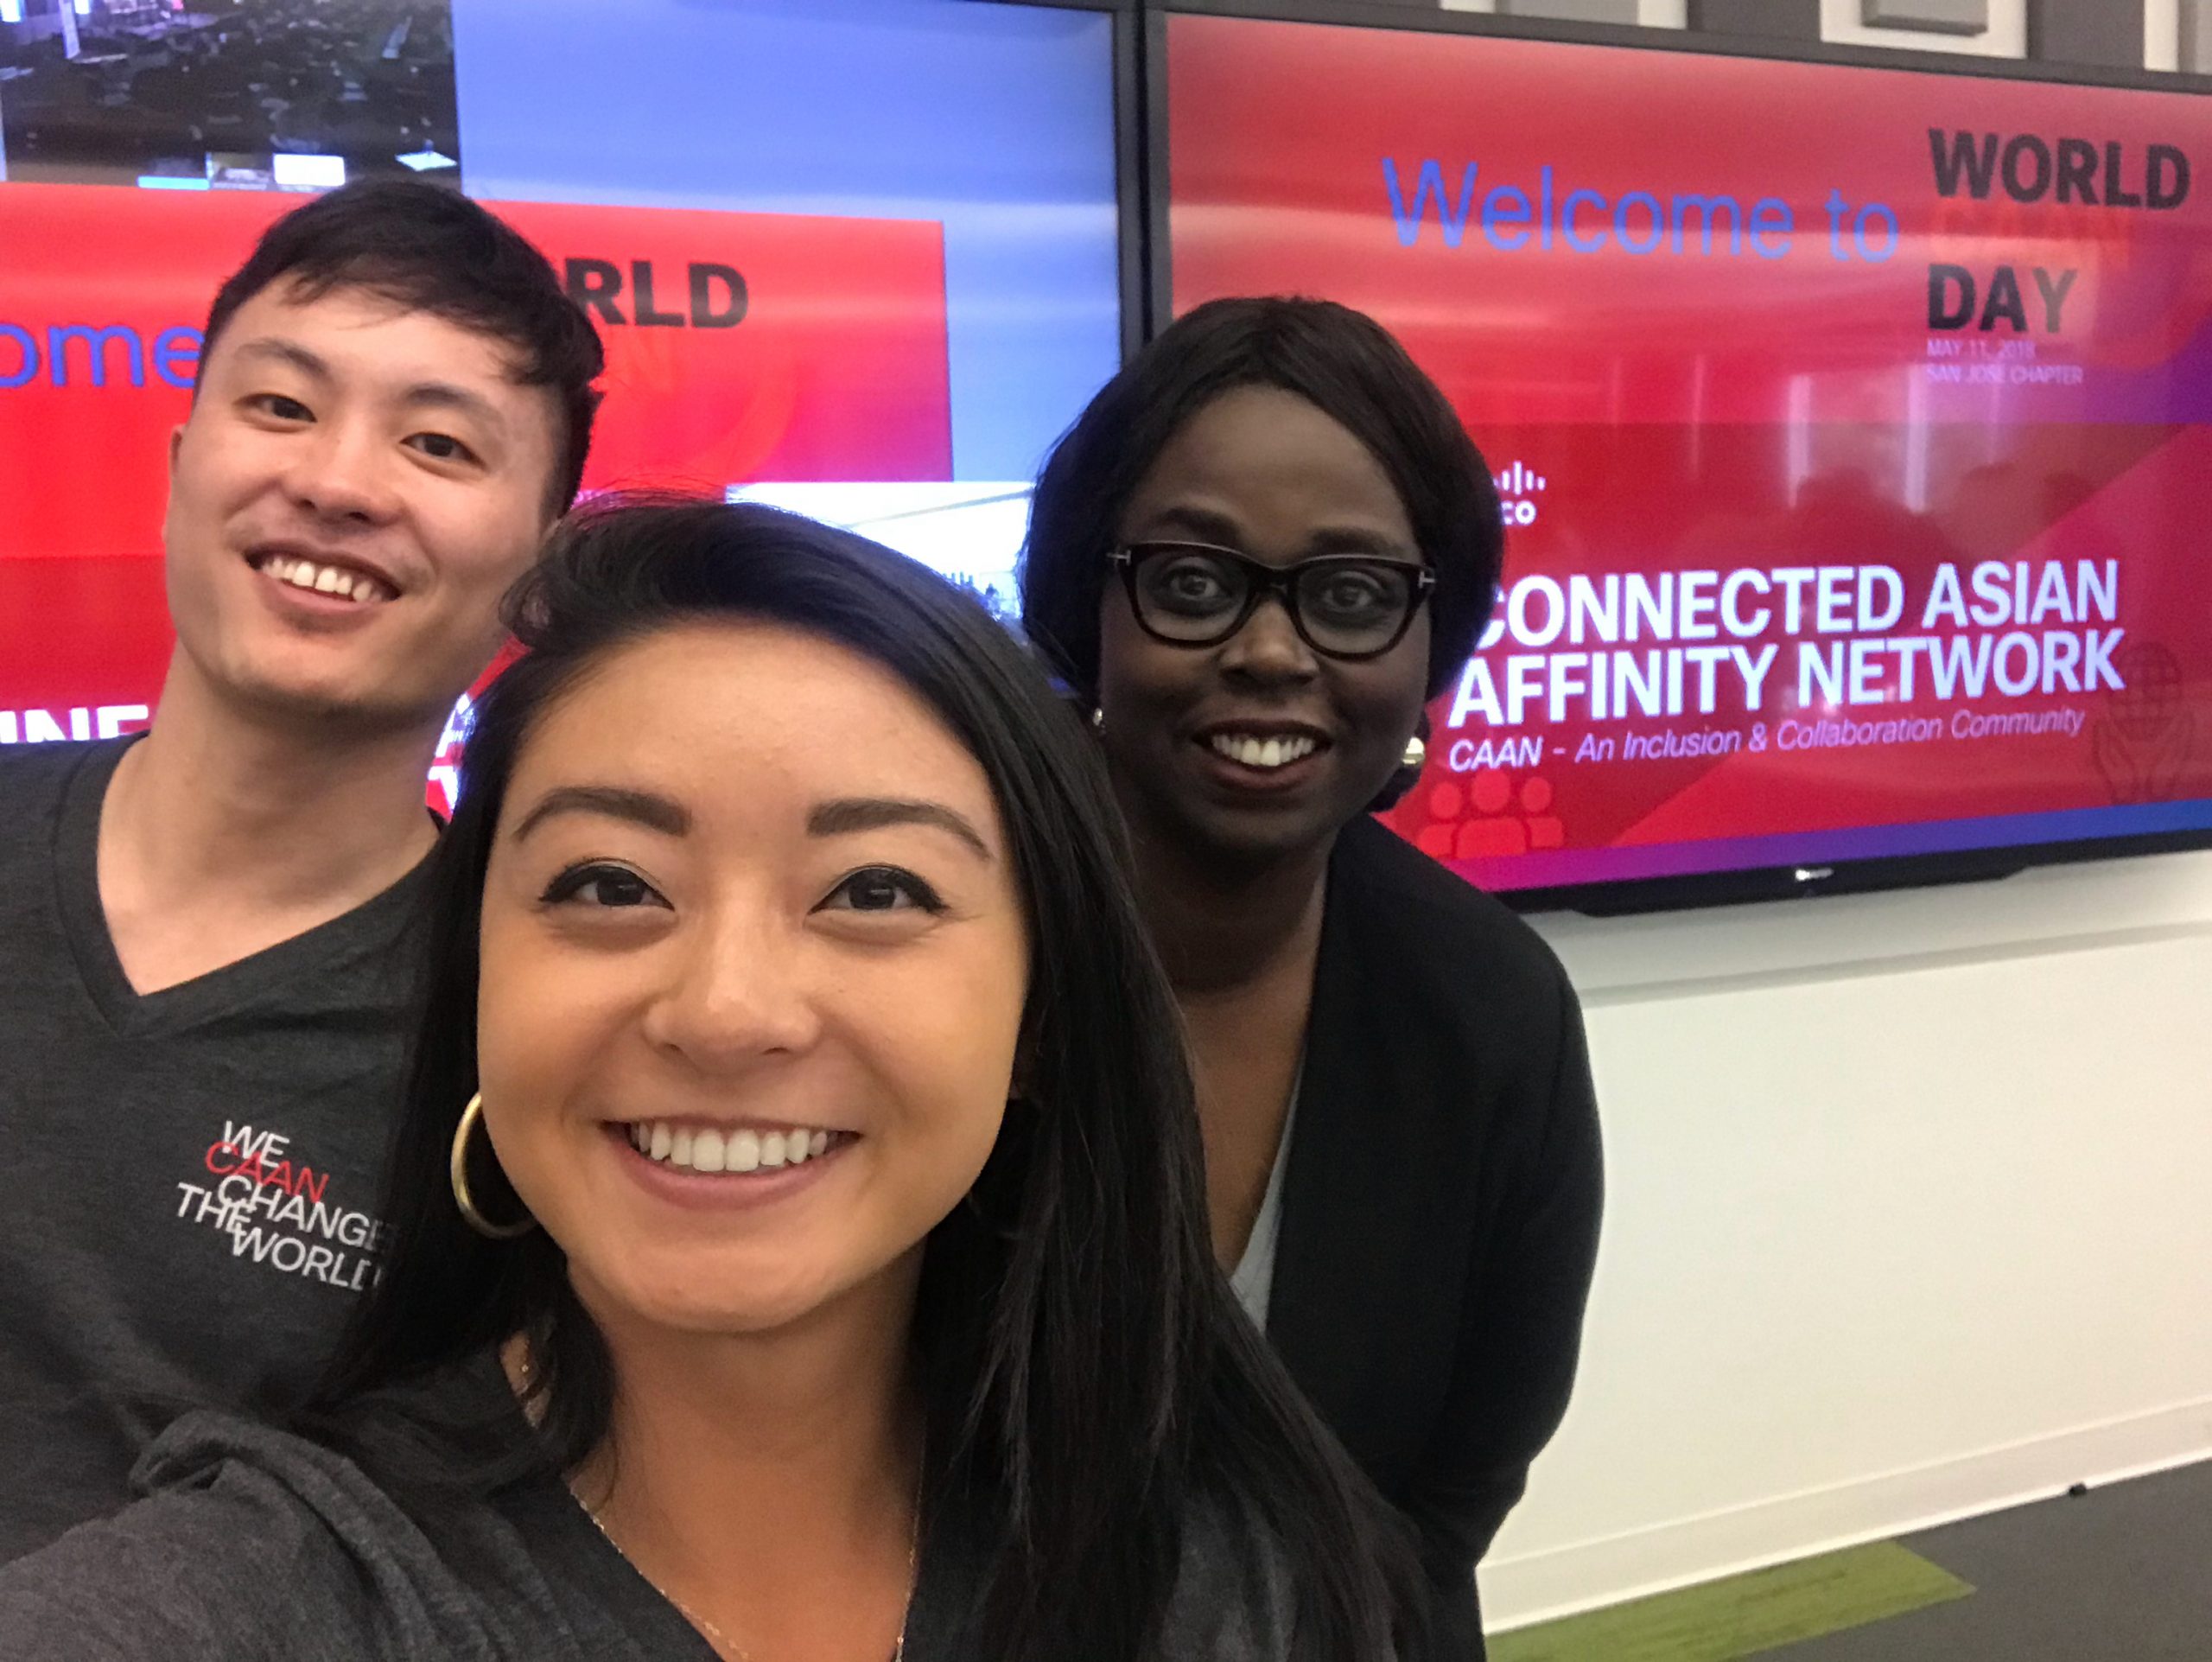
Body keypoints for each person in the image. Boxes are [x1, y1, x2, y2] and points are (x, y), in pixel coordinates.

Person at [0, 500, 1427, 1661]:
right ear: (474, 980)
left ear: (1041, 1016)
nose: (728, 1011)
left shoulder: (1244, 1576)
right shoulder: (269, 1598)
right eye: (611, 882)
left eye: (875, 888)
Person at [0, 178, 603, 1560]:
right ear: (178, 462)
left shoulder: (524, 1038)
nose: (335, 483)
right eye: (279, 407)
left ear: (538, 567)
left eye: (441, 444)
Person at [1020, 296, 1605, 1656]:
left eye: (1350, 597)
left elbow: (1452, 1491)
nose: (1272, 653)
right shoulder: (926, 953)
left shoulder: (1492, 1014)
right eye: (1192, 580)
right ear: (1082, 607)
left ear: (1427, 641)